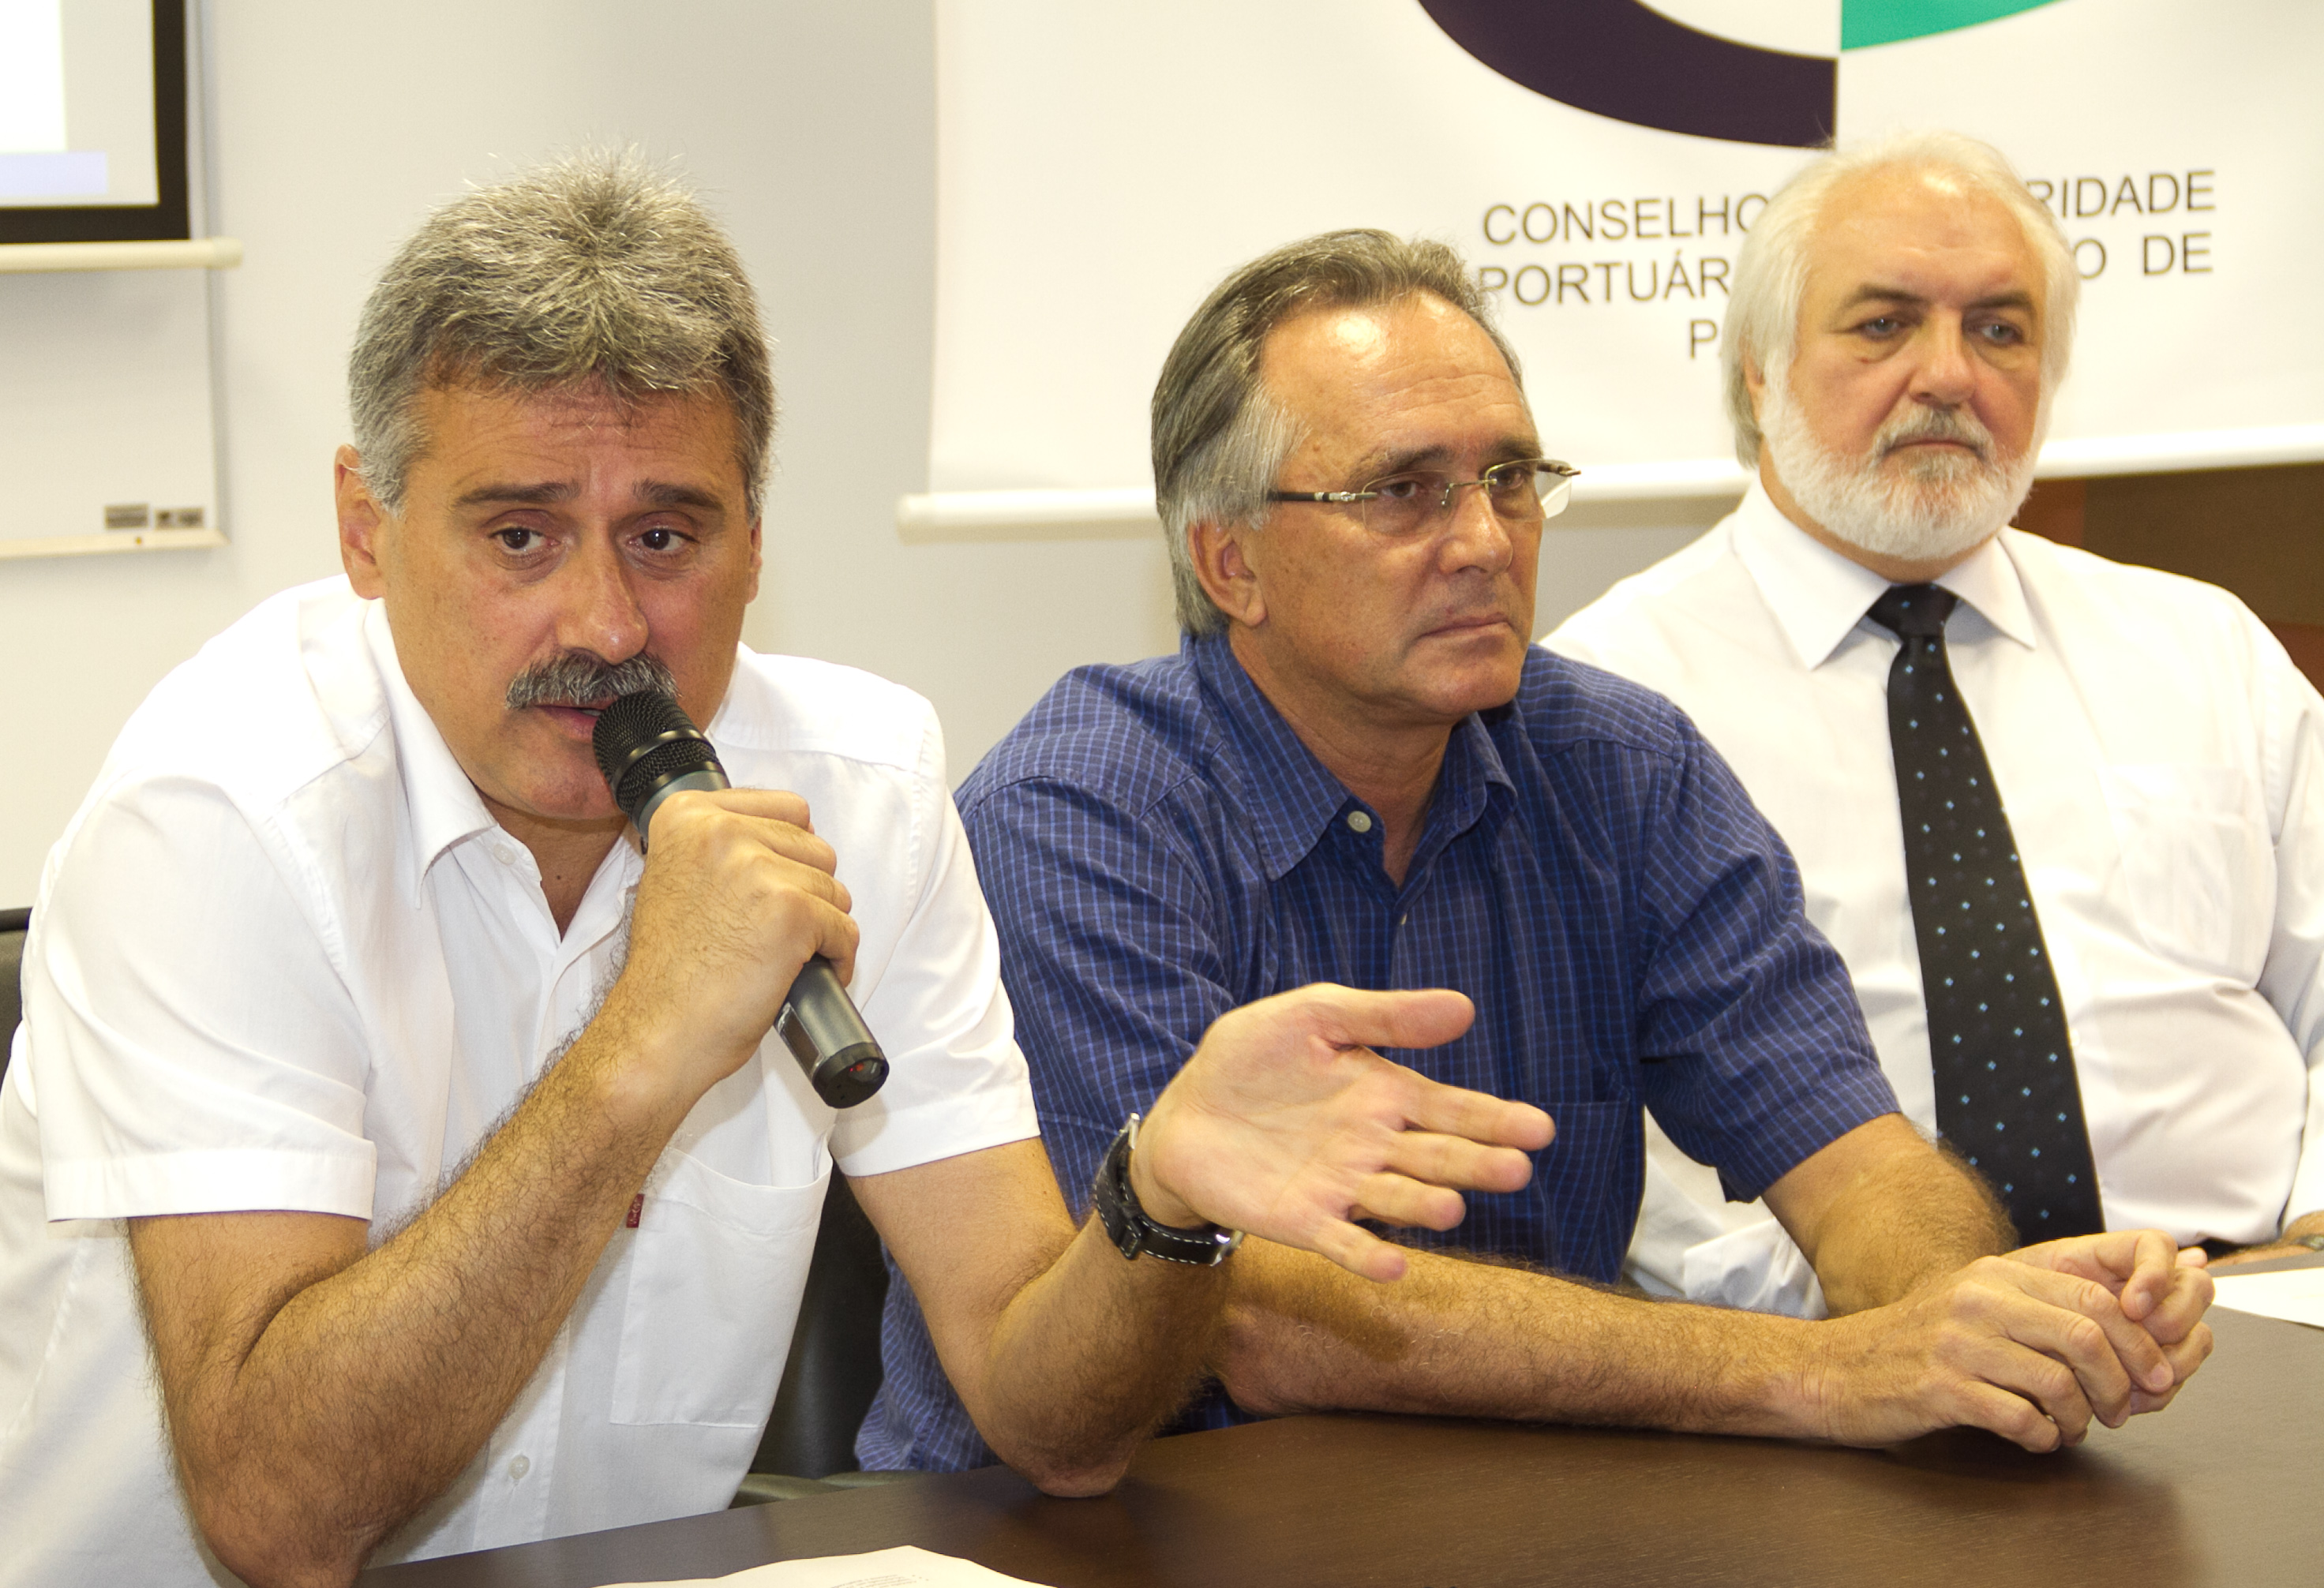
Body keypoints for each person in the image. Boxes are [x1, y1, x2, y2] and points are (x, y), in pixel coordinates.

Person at [0, 157, 1556, 1588]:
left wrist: (1156, 1208)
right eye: (519, 536)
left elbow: (1036, 1406)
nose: (600, 624)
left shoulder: (856, 781)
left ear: (757, 537)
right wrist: (643, 1046)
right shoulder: (222, 806)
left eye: (667, 537)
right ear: (366, 531)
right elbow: (283, 1520)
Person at [862, 227, 2214, 1474]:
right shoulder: (1083, 806)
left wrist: (1973, 1319)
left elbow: (1856, 1162)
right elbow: (1254, 1321)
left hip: (1516, 1512)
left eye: (1511, 479)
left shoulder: (1622, 768)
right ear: (1232, 565)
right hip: (1100, 1536)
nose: (1484, 542)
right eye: (1404, 492)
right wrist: (1817, 1375)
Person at [1547, 130, 2324, 1316]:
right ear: (1759, 372)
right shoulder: (1605, 703)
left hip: (2249, 1313)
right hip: (1832, 1360)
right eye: (1883, 323)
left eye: (2000, 329)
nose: (1950, 375)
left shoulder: (2205, 647)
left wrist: (2313, 1245)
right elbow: (1599, 1130)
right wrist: (1879, 1324)